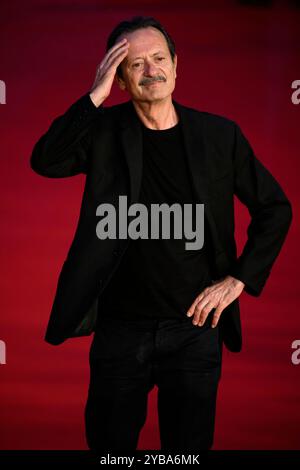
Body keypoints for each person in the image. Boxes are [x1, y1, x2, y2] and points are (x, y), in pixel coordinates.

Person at [30, 16, 292, 452]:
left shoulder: (219, 136)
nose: (151, 70)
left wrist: (238, 280)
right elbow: (45, 160)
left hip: (194, 331)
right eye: (135, 64)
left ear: (176, 64)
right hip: (119, 332)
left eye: (158, 58)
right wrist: (94, 96)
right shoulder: (103, 132)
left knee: (186, 455)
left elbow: (275, 208)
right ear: (120, 79)